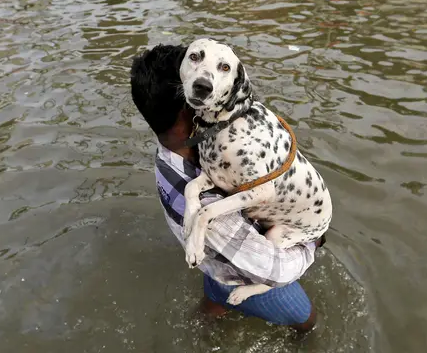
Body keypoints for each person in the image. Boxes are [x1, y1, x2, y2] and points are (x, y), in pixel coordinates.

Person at [130, 44, 325, 332]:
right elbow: (274, 269)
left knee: (212, 305)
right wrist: (313, 242)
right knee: (308, 323)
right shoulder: (211, 212)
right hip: (238, 269)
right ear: (193, 104)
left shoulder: (171, 156)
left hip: (212, 258)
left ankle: (201, 325)